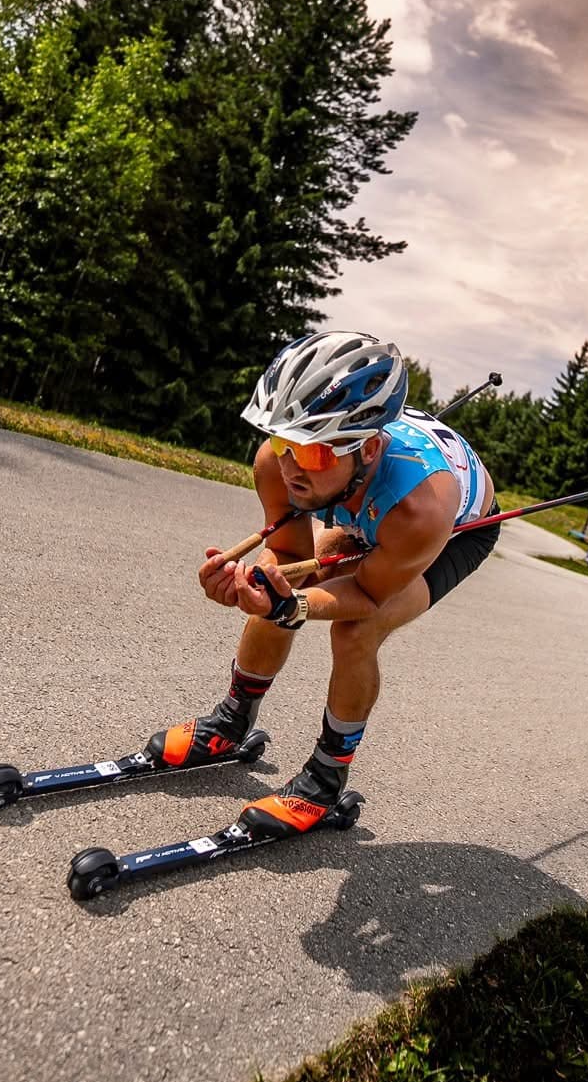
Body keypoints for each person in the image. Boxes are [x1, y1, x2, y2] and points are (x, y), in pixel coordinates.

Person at [151, 331, 498, 839]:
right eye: (283, 443)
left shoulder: (420, 507)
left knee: (356, 630)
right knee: (275, 583)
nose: (290, 467)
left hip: (455, 530)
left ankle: (326, 777)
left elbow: (369, 595)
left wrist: (290, 607)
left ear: (368, 447)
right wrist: (264, 587)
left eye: (312, 453)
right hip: (369, 495)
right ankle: (230, 721)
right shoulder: (278, 464)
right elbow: (290, 556)